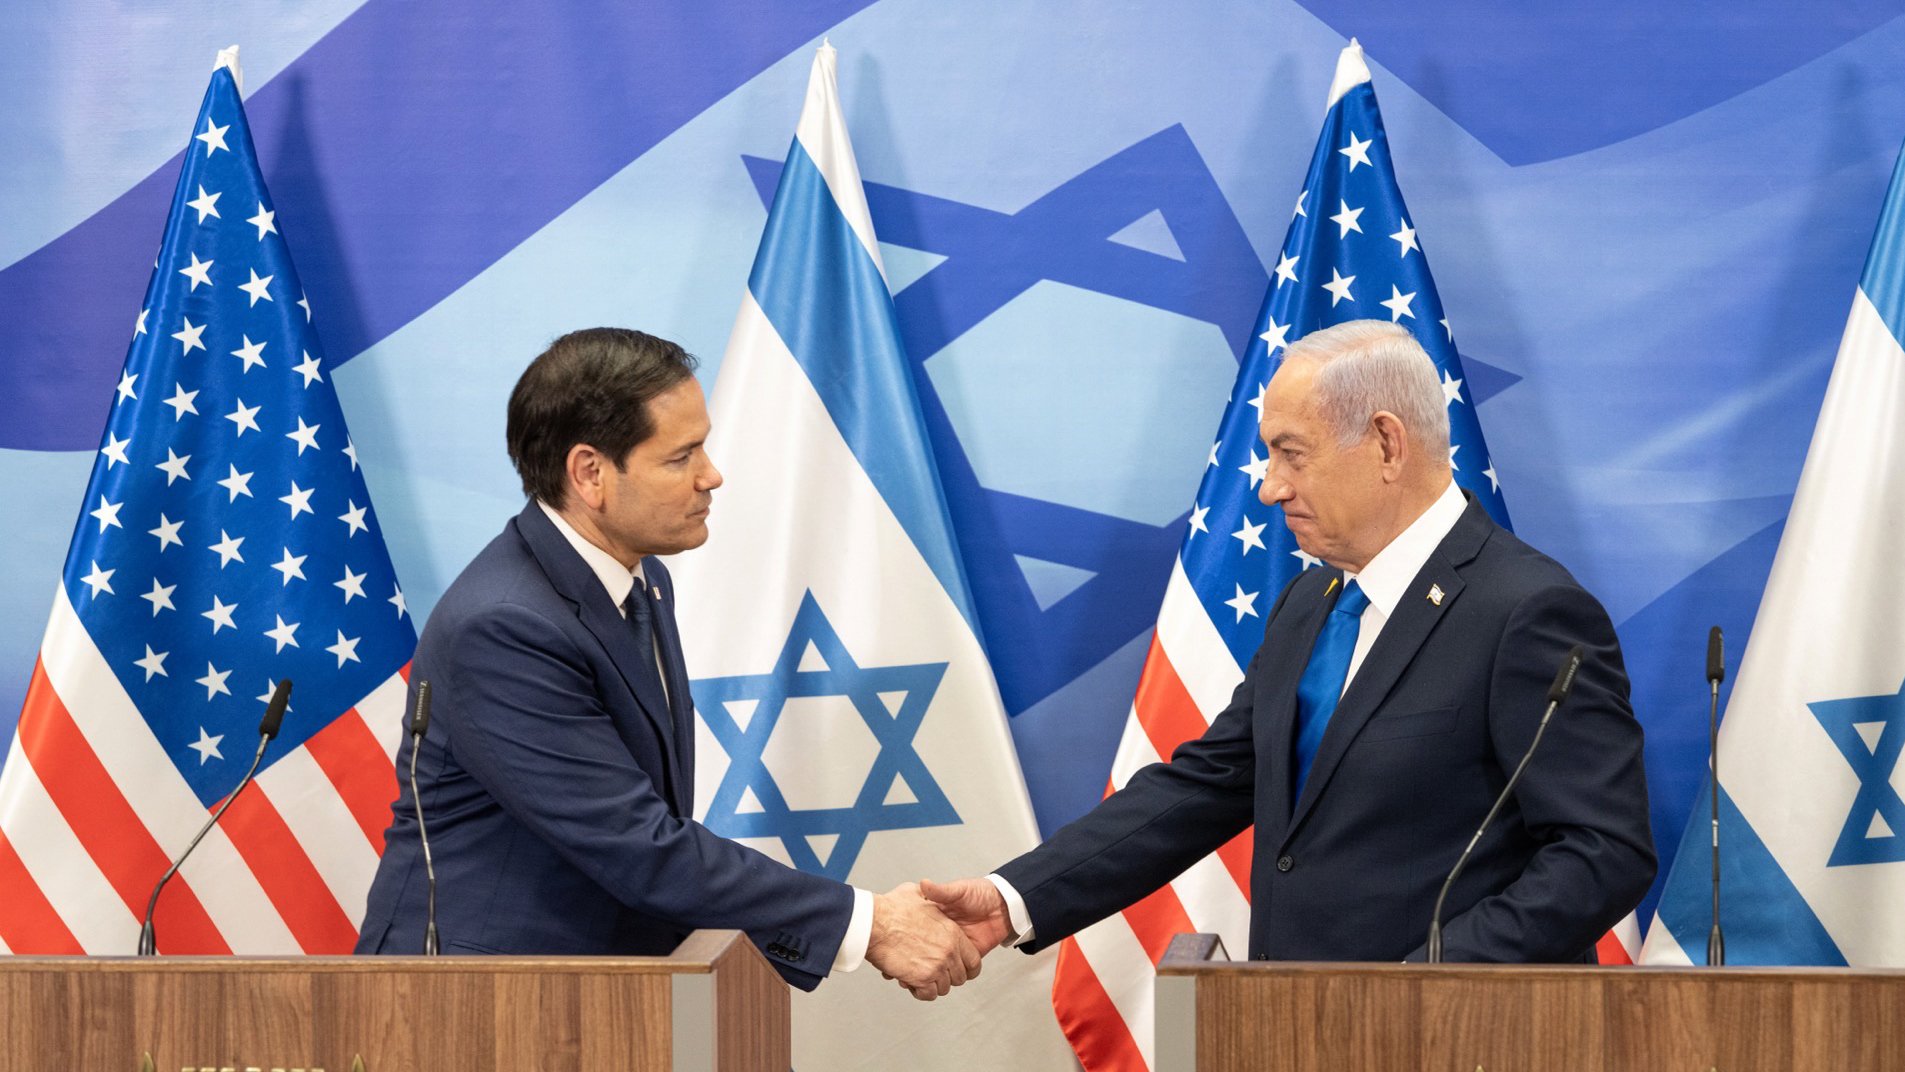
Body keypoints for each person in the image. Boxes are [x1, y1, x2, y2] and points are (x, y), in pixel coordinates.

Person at [923, 319, 1656, 964]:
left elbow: (1602, 851)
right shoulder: (1311, 602)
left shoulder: (1526, 610)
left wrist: (1427, 979)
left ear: (1385, 443)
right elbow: (1207, 785)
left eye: (1290, 454)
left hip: (1453, 1040)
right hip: (1292, 1030)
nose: (1270, 488)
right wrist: (1011, 898)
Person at [356, 327, 978, 999]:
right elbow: (635, 843)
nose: (712, 475)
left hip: (616, 981)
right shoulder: (504, 625)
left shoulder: (641, 580)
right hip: (483, 999)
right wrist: (869, 923)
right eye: (681, 456)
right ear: (590, 473)